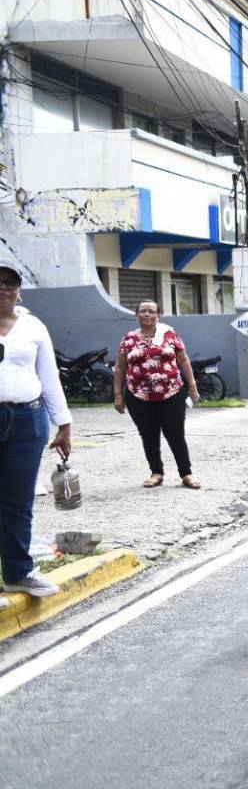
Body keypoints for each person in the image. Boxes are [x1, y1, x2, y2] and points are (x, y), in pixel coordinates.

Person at [0, 254, 71, 598]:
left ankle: (18, 572)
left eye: (9, 283)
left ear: (19, 291)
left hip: (28, 420)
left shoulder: (33, 327)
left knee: (18, 500)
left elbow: (49, 376)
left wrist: (64, 422)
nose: (3, 289)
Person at [113, 300, 201, 489]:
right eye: (142, 311)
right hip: (138, 397)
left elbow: (184, 361)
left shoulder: (169, 334)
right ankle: (156, 472)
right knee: (148, 435)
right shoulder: (128, 339)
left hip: (172, 393)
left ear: (158, 315)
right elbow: (120, 367)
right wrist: (118, 395)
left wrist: (192, 386)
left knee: (175, 434)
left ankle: (186, 474)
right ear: (136, 315)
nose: (147, 314)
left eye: (151, 311)